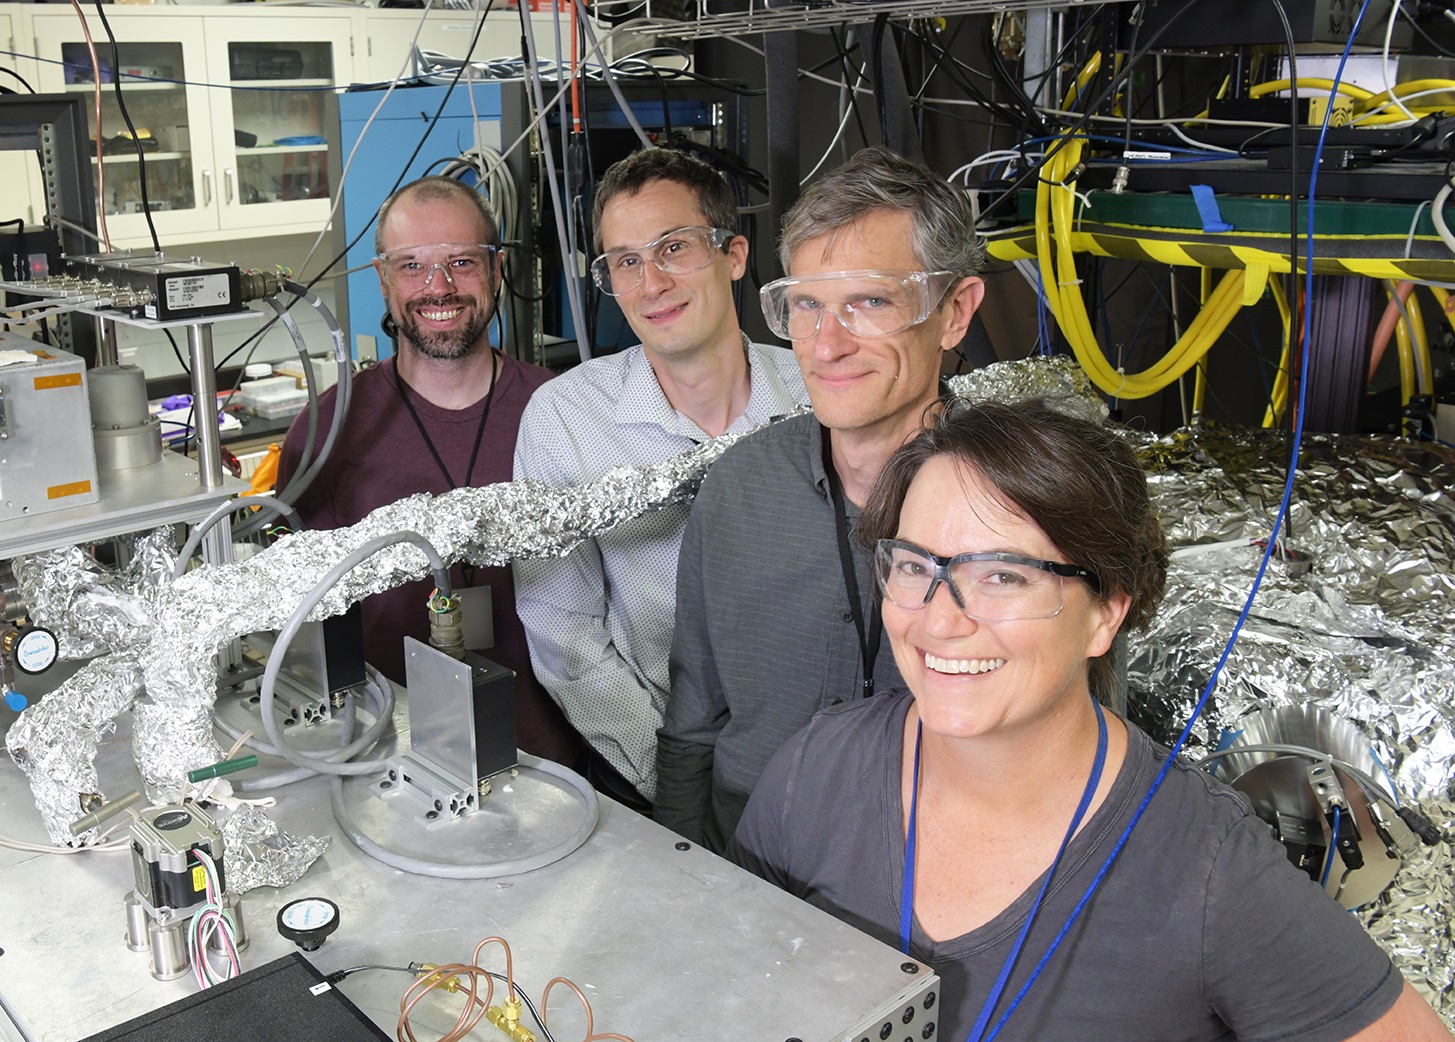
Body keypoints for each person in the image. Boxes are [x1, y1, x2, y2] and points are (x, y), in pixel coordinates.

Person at [730, 398, 1452, 1042]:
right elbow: (735, 986)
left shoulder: (1204, 868)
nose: (939, 622)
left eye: (1004, 576)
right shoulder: (816, 770)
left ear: (1106, 612)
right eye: (916, 566)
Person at [655, 147, 984, 850]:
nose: (826, 345)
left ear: (953, 312)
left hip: (929, 882)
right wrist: (682, 880)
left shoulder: (1016, 513)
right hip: (748, 868)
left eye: (868, 301)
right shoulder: (739, 490)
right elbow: (692, 725)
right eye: (806, 305)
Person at [512, 148, 807, 811]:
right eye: (625, 261)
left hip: (823, 775)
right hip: (662, 775)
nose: (651, 283)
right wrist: (675, 782)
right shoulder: (567, 418)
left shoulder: (820, 394)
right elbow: (564, 633)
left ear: (733, 255)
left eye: (673, 247)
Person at [276, 175, 582, 768]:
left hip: (559, 761)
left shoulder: (566, 412)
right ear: (384, 280)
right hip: (386, 765)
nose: (437, 288)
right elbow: (305, 635)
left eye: (461, 262)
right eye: (412, 265)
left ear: (496, 271)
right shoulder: (325, 433)